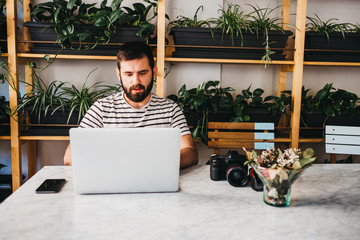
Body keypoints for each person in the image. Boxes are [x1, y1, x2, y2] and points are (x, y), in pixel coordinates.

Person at [64, 41, 198, 169]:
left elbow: (191, 152)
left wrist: (156, 164)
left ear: (154, 72)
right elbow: (69, 157)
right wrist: (117, 164)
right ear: (119, 75)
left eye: (143, 73)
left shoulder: (171, 109)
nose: (136, 81)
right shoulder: (101, 109)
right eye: (128, 74)